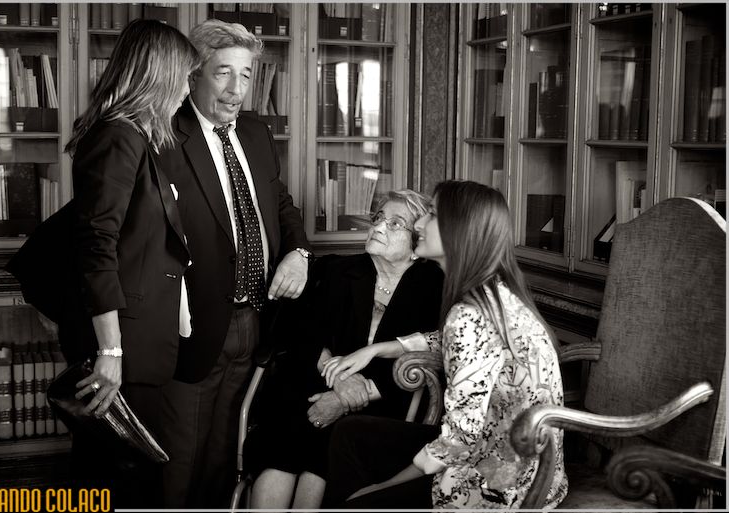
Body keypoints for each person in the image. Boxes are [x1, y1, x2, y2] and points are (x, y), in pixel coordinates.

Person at [322, 180, 569, 509]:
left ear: (459, 230)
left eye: (433, 215)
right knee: (349, 434)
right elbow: (452, 343)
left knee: (355, 502)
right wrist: (378, 349)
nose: (420, 223)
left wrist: (381, 489)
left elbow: (458, 440)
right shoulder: (493, 291)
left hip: (495, 485)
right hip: (521, 464)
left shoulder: (468, 315)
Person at [155, 19, 312, 508]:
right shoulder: (164, 136)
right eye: (224, 73)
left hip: (256, 316)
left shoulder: (257, 133)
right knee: (180, 454)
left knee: (228, 447)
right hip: (194, 322)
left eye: (246, 75)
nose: (236, 89)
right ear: (195, 74)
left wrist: (299, 251)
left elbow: (281, 204)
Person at [58, 19, 200, 508]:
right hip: (123, 343)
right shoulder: (118, 137)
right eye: (184, 76)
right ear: (157, 75)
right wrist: (111, 351)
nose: (188, 89)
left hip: (140, 340)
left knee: (125, 478)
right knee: (117, 482)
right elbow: (97, 245)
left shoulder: (138, 137)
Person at [247, 190, 444, 509]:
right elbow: (297, 331)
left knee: (333, 440)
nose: (379, 227)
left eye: (395, 224)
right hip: (315, 386)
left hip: (385, 400)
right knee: (287, 430)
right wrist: (336, 379)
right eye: (378, 218)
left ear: (416, 243)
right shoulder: (340, 271)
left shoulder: (434, 288)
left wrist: (355, 395)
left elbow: (426, 362)